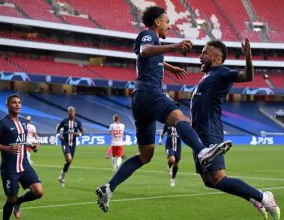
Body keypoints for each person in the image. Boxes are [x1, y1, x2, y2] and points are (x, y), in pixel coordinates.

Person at [95, 6, 232, 213]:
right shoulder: (149, 35)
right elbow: (145, 51)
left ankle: (109, 187)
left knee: (145, 155)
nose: (170, 25)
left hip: (139, 99)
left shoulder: (152, 41)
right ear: (157, 22)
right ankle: (203, 151)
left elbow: (148, 58)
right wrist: (175, 46)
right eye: (167, 21)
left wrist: (169, 67)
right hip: (150, 92)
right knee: (181, 119)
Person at [190, 39, 281, 220]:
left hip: (209, 130)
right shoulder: (207, 76)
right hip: (198, 133)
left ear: (216, 58)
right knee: (209, 181)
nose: (200, 56)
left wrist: (248, 56)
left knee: (218, 178)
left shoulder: (222, 72)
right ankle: (253, 197)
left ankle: (265, 197)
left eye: (204, 53)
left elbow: (247, 76)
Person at [0, 94, 43, 220]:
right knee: (11, 199)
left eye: (19, 102)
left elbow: (21, 142)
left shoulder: (23, 122)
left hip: (24, 165)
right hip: (10, 168)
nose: (17, 104)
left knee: (39, 192)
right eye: (14, 102)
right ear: (7, 105)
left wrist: (31, 146)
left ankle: (19, 202)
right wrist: (7, 148)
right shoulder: (1, 123)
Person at [56, 106, 84, 187]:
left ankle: (62, 177)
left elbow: (82, 132)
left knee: (69, 161)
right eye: (70, 111)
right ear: (68, 112)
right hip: (65, 142)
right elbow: (57, 129)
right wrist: (59, 136)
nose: (71, 112)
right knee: (69, 159)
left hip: (73, 144)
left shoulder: (77, 122)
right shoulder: (64, 121)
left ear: (75, 112)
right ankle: (62, 177)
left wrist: (78, 134)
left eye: (73, 111)